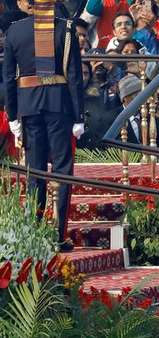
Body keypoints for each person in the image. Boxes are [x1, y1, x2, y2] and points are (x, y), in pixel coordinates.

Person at [4, 0, 84, 252]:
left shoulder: (14, 31)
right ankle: (58, 235)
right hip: (58, 105)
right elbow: (73, 75)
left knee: (35, 171)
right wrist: (79, 115)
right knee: (62, 170)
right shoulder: (64, 28)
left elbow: (9, 78)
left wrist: (13, 116)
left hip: (28, 106)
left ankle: (35, 233)